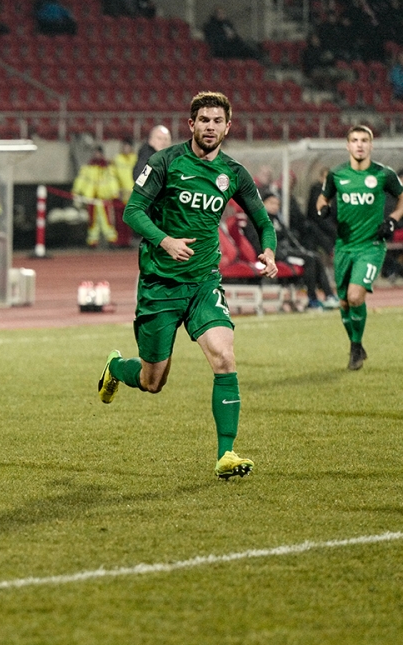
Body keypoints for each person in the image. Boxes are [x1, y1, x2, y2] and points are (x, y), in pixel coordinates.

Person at [97, 91, 278, 480]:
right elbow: (133, 211)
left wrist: (268, 251)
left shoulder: (234, 173)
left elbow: (263, 221)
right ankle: (115, 367)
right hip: (160, 285)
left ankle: (226, 454)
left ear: (228, 127)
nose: (210, 127)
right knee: (152, 381)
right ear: (191, 124)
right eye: (204, 120)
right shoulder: (165, 162)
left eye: (217, 121)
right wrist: (165, 241)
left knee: (224, 357)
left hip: (203, 282)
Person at [315, 124, 403, 370]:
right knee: (344, 302)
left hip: (371, 246)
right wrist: (323, 208)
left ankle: (355, 346)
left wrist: (393, 218)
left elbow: (402, 197)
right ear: (348, 145)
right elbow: (323, 198)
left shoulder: (384, 174)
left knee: (355, 296)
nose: (360, 145)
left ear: (371, 145)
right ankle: (356, 345)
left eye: (364, 140)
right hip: (344, 246)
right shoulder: (337, 174)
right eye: (355, 140)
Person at [261, 192, 338, 310]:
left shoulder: (276, 219)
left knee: (315, 256)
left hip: (288, 252)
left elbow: (289, 237)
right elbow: (259, 242)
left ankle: (329, 296)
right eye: (271, 203)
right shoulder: (260, 220)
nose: (275, 206)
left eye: (277, 204)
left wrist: (299, 249)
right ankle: (312, 300)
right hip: (278, 255)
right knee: (309, 260)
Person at [72, 145, 122, 247]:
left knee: (107, 220)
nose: (97, 155)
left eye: (98, 153)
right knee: (92, 221)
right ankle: (92, 240)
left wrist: (115, 193)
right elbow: (81, 180)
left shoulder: (108, 168)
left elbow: (112, 181)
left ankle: (111, 239)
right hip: (91, 198)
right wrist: (76, 191)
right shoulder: (87, 167)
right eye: (95, 153)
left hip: (104, 197)